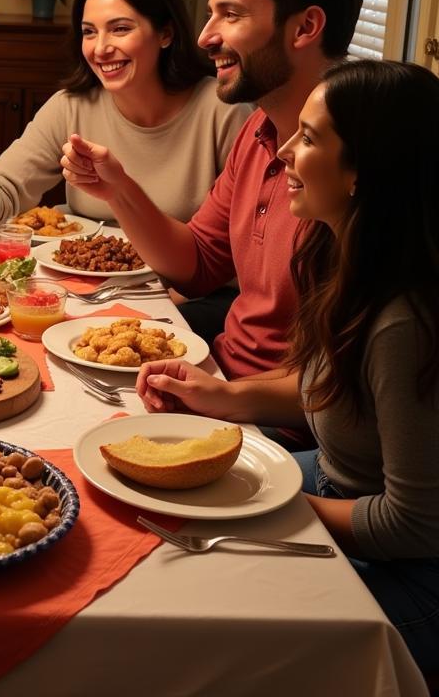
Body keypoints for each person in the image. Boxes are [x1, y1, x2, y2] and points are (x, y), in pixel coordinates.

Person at [135, 59, 439, 674]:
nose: (287, 154)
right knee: (150, 524)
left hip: (410, 574)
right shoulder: (344, 251)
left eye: (310, 138)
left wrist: (265, 511)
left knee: (195, 616)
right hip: (332, 485)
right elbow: (342, 391)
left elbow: (413, 527)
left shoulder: (404, 321)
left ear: (363, 172)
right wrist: (230, 398)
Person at [61, 0, 363, 386]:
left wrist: (224, 397)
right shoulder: (256, 132)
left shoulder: (356, 160)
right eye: (210, 15)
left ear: (305, 28)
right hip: (220, 367)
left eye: (232, 15)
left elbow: (340, 380)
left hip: (281, 421)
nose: (204, 37)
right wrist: (118, 189)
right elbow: (197, 265)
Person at [0, 0, 249, 229]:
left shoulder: (223, 111)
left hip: (183, 296)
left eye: (120, 29)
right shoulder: (71, 107)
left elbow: (240, 240)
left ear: (165, 33)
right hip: (87, 289)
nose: (100, 49)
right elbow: (5, 196)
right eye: (89, 32)